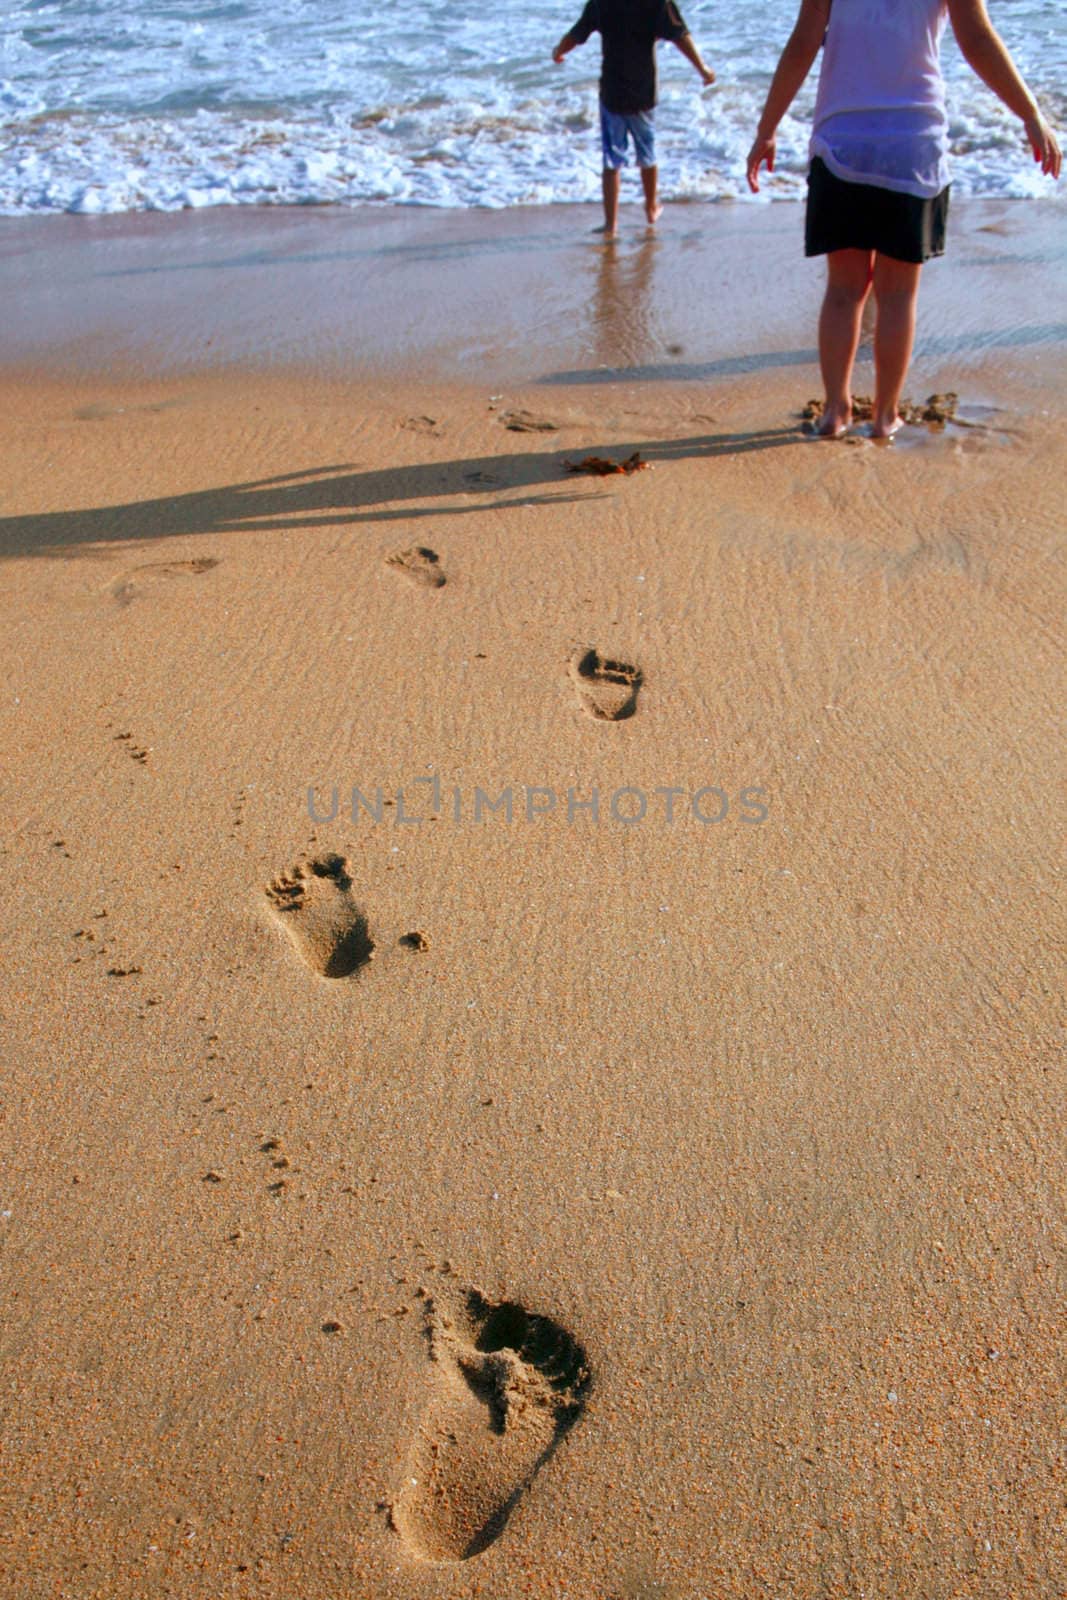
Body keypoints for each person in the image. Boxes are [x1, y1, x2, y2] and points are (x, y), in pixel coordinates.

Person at [747, 0, 1062, 438]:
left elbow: (803, 44)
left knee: (843, 289)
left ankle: (836, 410)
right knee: (897, 296)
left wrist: (766, 130)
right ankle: (884, 415)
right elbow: (977, 40)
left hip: (842, 142)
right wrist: (1029, 113)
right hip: (913, 144)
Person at [553, 0, 716, 237]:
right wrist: (702, 68)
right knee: (647, 154)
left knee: (612, 161)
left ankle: (611, 224)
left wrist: (559, 50)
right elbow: (680, 35)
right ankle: (651, 207)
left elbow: (578, 33)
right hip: (643, 92)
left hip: (613, 92)